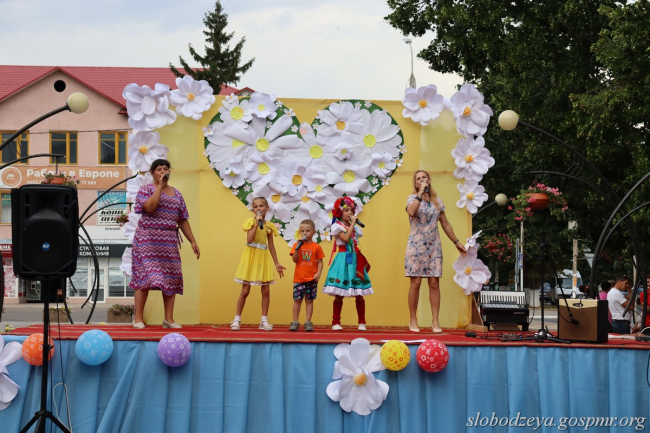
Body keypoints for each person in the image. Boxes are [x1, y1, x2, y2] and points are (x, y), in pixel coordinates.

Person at [130, 159, 200, 329]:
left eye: (166, 169)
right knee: (144, 276)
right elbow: (149, 208)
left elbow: (182, 220)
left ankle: (168, 319)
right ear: (152, 173)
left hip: (168, 240)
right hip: (147, 238)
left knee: (171, 277)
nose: (163, 171)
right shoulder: (146, 189)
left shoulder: (177, 194)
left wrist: (193, 241)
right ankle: (138, 318)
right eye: (159, 169)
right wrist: (160, 187)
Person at [405, 170, 467, 333]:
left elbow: (445, 224)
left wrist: (457, 242)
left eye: (424, 177)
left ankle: (435, 321)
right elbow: (411, 212)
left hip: (434, 247)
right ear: (416, 183)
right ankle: (413, 320)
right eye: (418, 179)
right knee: (416, 283)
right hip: (416, 246)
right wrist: (420, 194)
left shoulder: (437, 201)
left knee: (434, 282)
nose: (422, 180)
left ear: (429, 180)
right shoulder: (412, 199)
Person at [231, 197, 286, 331]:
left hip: (263, 258)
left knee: (266, 290)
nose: (258, 208)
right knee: (245, 290)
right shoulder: (251, 222)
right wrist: (256, 224)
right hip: (250, 257)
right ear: (253, 209)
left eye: (261, 206)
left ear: (267, 208)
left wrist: (277, 263)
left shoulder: (269, 226)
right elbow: (249, 240)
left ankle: (264, 320)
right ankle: (237, 319)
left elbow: (271, 246)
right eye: (255, 207)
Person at [323, 197, 372, 331]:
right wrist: (352, 225)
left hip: (355, 259)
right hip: (343, 259)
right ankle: (335, 322)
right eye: (346, 210)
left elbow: (354, 237)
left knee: (359, 292)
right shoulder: (337, 226)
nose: (350, 212)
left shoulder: (354, 227)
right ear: (339, 212)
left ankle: (362, 322)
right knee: (339, 292)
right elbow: (345, 238)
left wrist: (353, 225)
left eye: (351, 210)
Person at [288, 220, 324, 332]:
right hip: (299, 278)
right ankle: (295, 321)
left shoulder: (317, 247)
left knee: (309, 300)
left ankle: (308, 322)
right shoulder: (296, 245)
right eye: (302, 231)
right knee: (297, 300)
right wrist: (297, 248)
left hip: (311, 279)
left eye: (307, 231)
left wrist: (318, 273)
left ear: (314, 232)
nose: (304, 233)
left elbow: (320, 262)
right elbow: (295, 260)